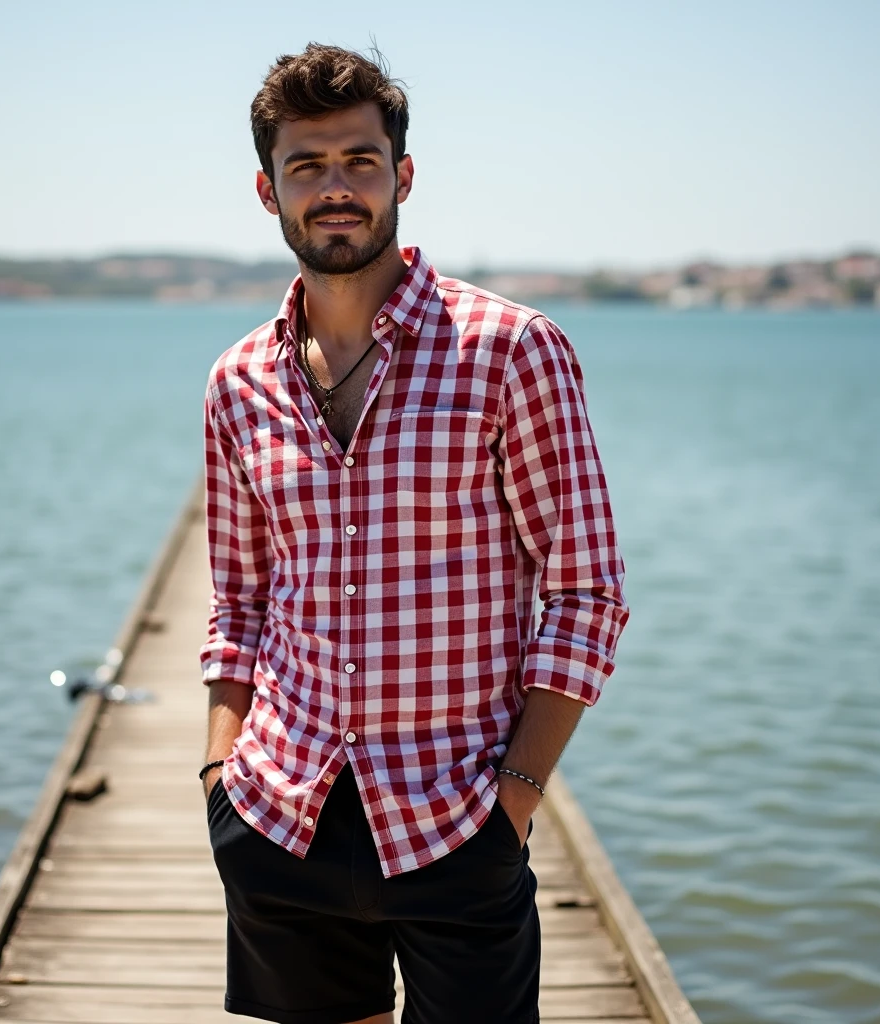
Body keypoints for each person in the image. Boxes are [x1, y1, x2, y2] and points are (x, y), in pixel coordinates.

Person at [199, 42, 629, 1024]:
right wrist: (219, 774)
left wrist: (515, 800)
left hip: (455, 820)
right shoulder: (236, 383)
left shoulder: (511, 350)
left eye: (358, 160)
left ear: (402, 175)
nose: (335, 187)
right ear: (268, 192)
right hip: (279, 815)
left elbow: (586, 593)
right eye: (305, 166)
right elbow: (238, 597)